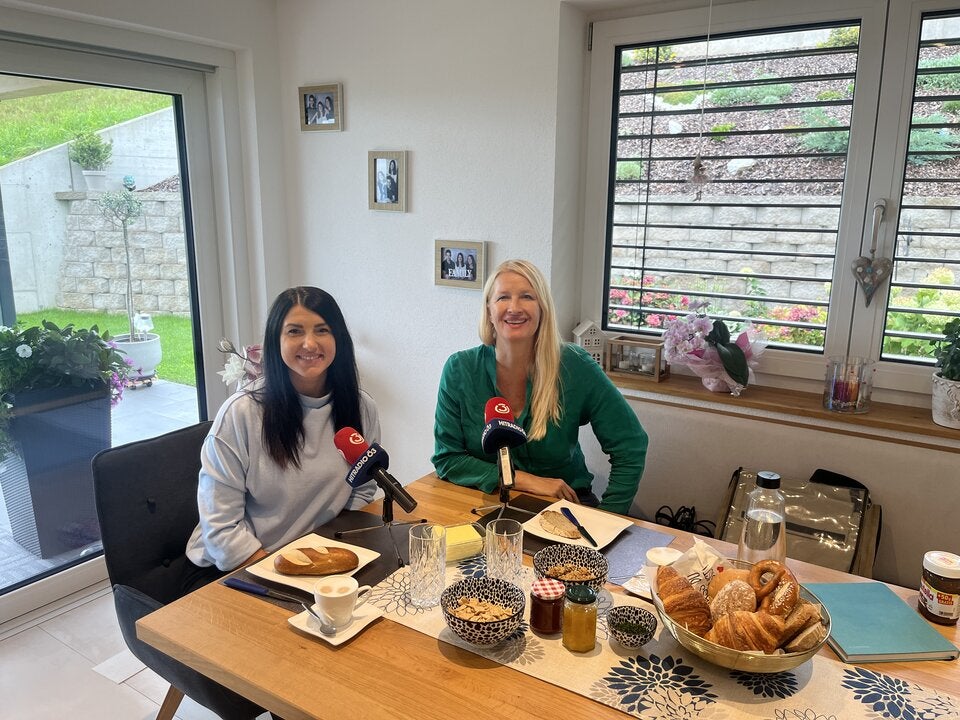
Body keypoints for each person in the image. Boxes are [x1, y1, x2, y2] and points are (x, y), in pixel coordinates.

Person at [183, 286, 380, 591]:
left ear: (338, 338)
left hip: (315, 560)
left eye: (322, 330)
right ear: (276, 342)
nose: (309, 343)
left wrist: (331, 553)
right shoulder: (242, 413)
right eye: (294, 331)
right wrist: (281, 583)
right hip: (240, 566)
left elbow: (363, 487)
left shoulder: (360, 407)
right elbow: (221, 529)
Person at [432, 259, 647, 515]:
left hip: (563, 509)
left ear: (543, 308)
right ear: (488, 310)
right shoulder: (459, 370)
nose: (514, 308)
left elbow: (630, 445)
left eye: (527, 297)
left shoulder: (574, 365)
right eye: (503, 297)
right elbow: (448, 459)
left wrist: (609, 517)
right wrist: (521, 479)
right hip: (486, 503)